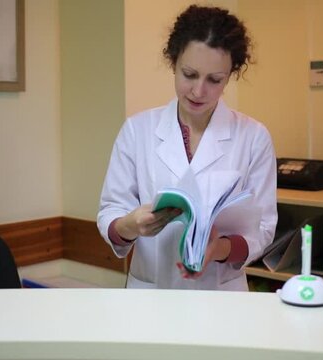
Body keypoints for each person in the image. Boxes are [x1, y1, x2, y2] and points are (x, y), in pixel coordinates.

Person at [97, 4, 277, 291]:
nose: (198, 91)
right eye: (189, 74)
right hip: (150, 293)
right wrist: (130, 225)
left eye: (214, 80)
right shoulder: (137, 130)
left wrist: (218, 249)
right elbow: (110, 211)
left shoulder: (253, 137)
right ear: (173, 62)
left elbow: (264, 228)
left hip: (222, 296)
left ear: (230, 75)